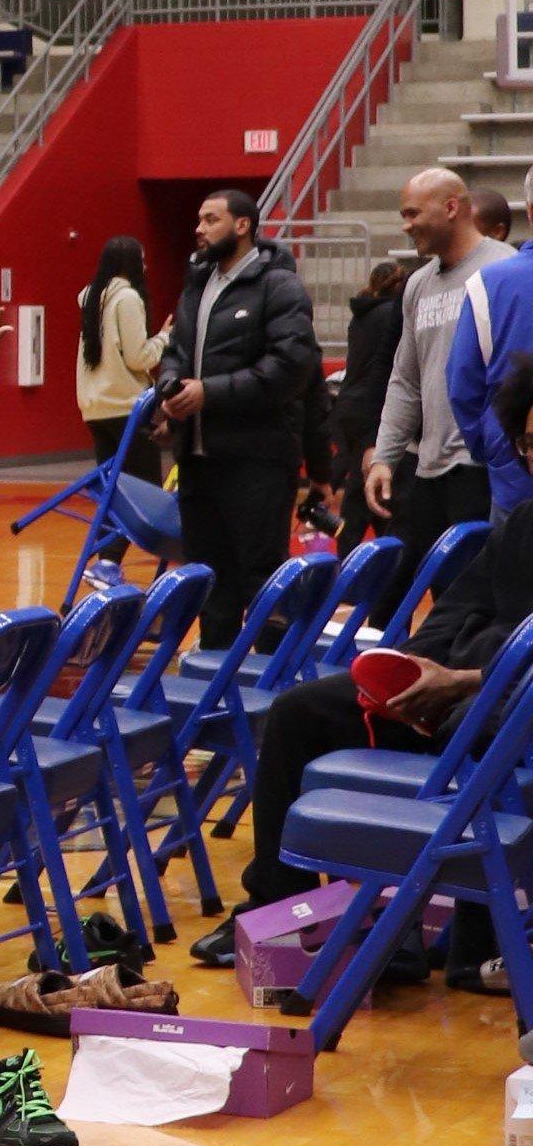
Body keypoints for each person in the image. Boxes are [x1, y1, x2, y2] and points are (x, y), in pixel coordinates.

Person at [189, 348, 533, 992]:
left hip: (501, 724)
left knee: (468, 724)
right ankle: (282, 911)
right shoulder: (522, 526)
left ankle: (395, 931)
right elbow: (456, 609)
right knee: (297, 713)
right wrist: (414, 669)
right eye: (529, 443)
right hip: (454, 702)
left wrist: (463, 683)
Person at [152, 189, 319, 658]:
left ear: (243, 225)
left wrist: (210, 392)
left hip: (257, 461)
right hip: (198, 461)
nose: (199, 229)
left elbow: (290, 368)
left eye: (211, 220)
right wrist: (170, 388)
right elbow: (175, 351)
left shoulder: (280, 286)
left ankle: (271, 682)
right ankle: (213, 678)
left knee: (263, 581)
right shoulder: (197, 284)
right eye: (199, 220)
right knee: (209, 583)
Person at [362, 170, 504, 608]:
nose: (406, 225)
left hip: (483, 469)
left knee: (468, 602)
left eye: (412, 213)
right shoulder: (418, 285)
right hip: (428, 469)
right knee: (391, 592)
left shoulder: (501, 270)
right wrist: (384, 457)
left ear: (451, 208)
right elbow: (405, 379)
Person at [76, 234, 166, 577]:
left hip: (95, 407)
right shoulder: (127, 297)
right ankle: (109, 560)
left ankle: (105, 561)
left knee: (114, 488)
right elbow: (138, 357)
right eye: (141, 260)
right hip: (125, 406)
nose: (145, 266)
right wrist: (166, 337)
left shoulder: (90, 295)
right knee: (144, 490)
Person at [445, 167, 533, 517]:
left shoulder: (488, 283)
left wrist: (496, 448)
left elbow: (462, 385)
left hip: (514, 478)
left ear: (529, 211)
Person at [330, 257, 411, 552]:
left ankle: (352, 547)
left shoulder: (361, 316)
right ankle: (374, 550)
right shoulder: (391, 316)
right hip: (372, 405)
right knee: (371, 482)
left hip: (349, 403)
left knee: (360, 478)